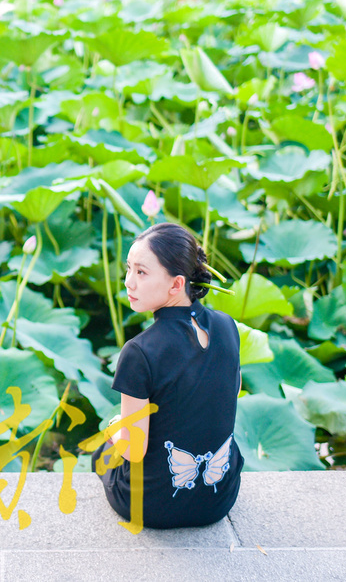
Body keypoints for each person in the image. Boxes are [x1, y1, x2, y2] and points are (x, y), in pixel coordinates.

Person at [91, 222, 243, 529]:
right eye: (128, 269)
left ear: (176, 285)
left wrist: (114, 429)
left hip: (152, 508)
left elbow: (134, 449)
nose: (128, 282)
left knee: (104, 451)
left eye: (142, 273)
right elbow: (229, 395)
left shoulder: (140, 351)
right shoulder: (228, 326)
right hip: (218, 499)